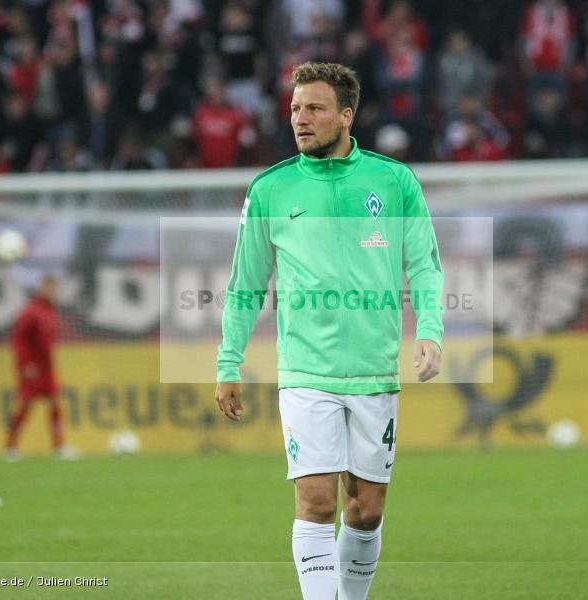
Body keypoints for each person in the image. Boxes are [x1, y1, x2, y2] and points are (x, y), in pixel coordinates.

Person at [215, 62, 443, 600]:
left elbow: (424, 264)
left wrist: (430, 329)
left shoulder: (393, 181)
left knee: (366, 511)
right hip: (306, 370)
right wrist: (229, 361)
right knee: (316, 502)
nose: (300, 118)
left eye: (314, 108)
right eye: (295, 108)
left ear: (346, 115)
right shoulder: (271, 189)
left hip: (374, 369)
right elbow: (245, 284)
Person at [5, 275, 74, 460]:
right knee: (25, 406)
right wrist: (25, 364)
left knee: (55, 404)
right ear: (41, 289)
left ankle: (59, 446)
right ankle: (10, 447)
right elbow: (18, 339)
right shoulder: (31, 311)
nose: (53, 292)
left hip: (48, 369)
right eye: (49, 288)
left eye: (55, 289)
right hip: (32, 369)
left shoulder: (51, 311)